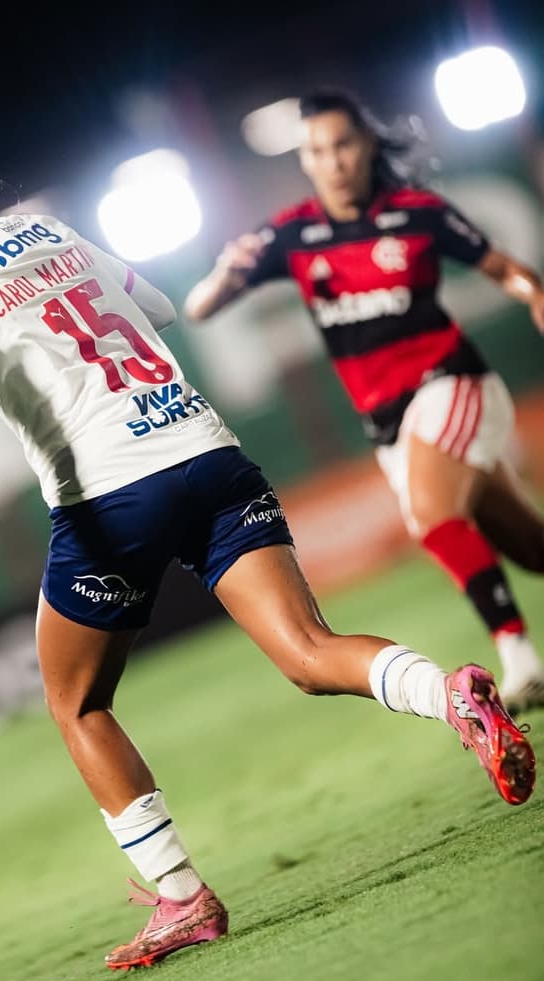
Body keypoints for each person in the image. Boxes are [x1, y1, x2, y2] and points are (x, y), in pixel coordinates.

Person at [0, 75, 535, 972]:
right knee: (307, 650)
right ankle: (450, 695)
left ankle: (182, 899)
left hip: (111, 497)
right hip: (208, 453)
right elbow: (162, 309)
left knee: (77, 702)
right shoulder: (49, 231)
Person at [184, 88, 544, 717]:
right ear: (306, 160)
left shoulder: (416, 213)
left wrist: (533, 297)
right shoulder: (293, 233)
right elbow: (200, 308)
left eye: (344, 144)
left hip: (452, 384)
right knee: (529, 547)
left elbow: (508, 270)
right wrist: (225, 271)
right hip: (388, 424)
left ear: (367, 145)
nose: (334, 160)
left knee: (432, 517)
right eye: (318, 150)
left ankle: (520, 661)